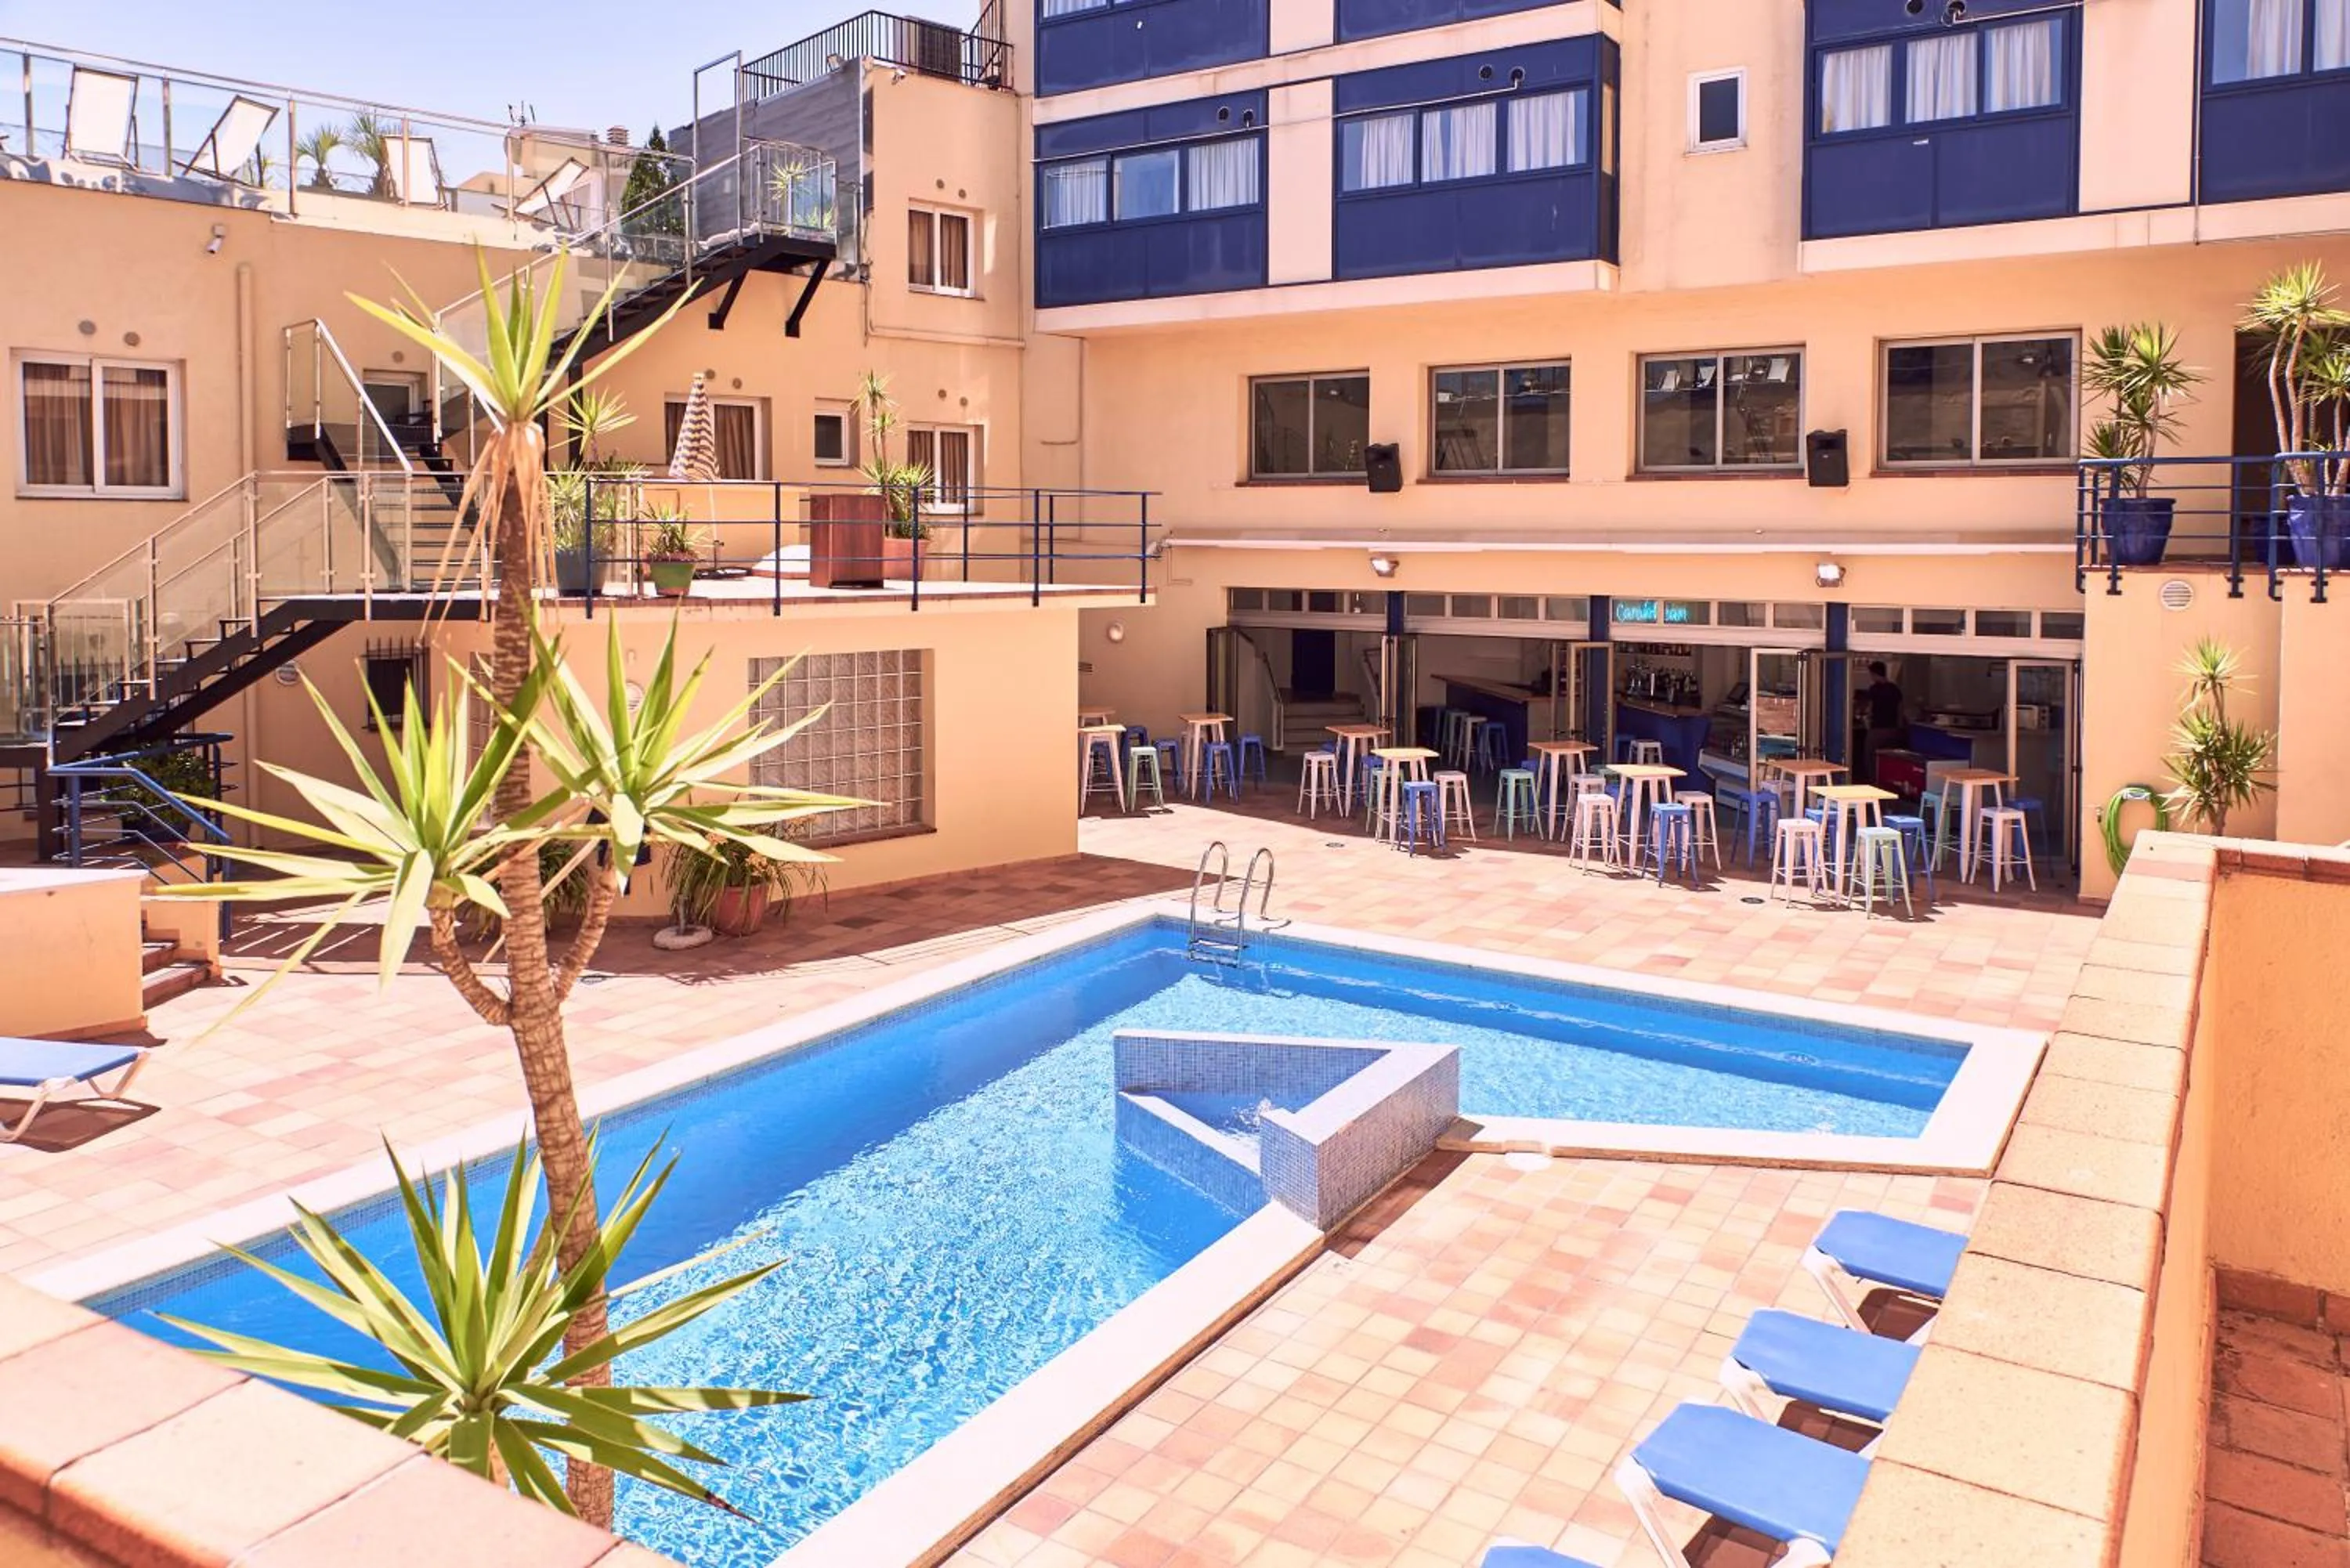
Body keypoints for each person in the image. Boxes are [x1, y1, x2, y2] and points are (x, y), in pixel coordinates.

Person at [1863, 661, 1904, 783]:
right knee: (1888, 759)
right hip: (1892, 730)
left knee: (1871, 758)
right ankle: (1888, 782)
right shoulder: (1895, 689)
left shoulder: (1874, 689)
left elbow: (1869, 710)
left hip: (1877, 730)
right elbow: (1900, 710)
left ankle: (1874, 782)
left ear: (1875, 674)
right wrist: (1899, 727)